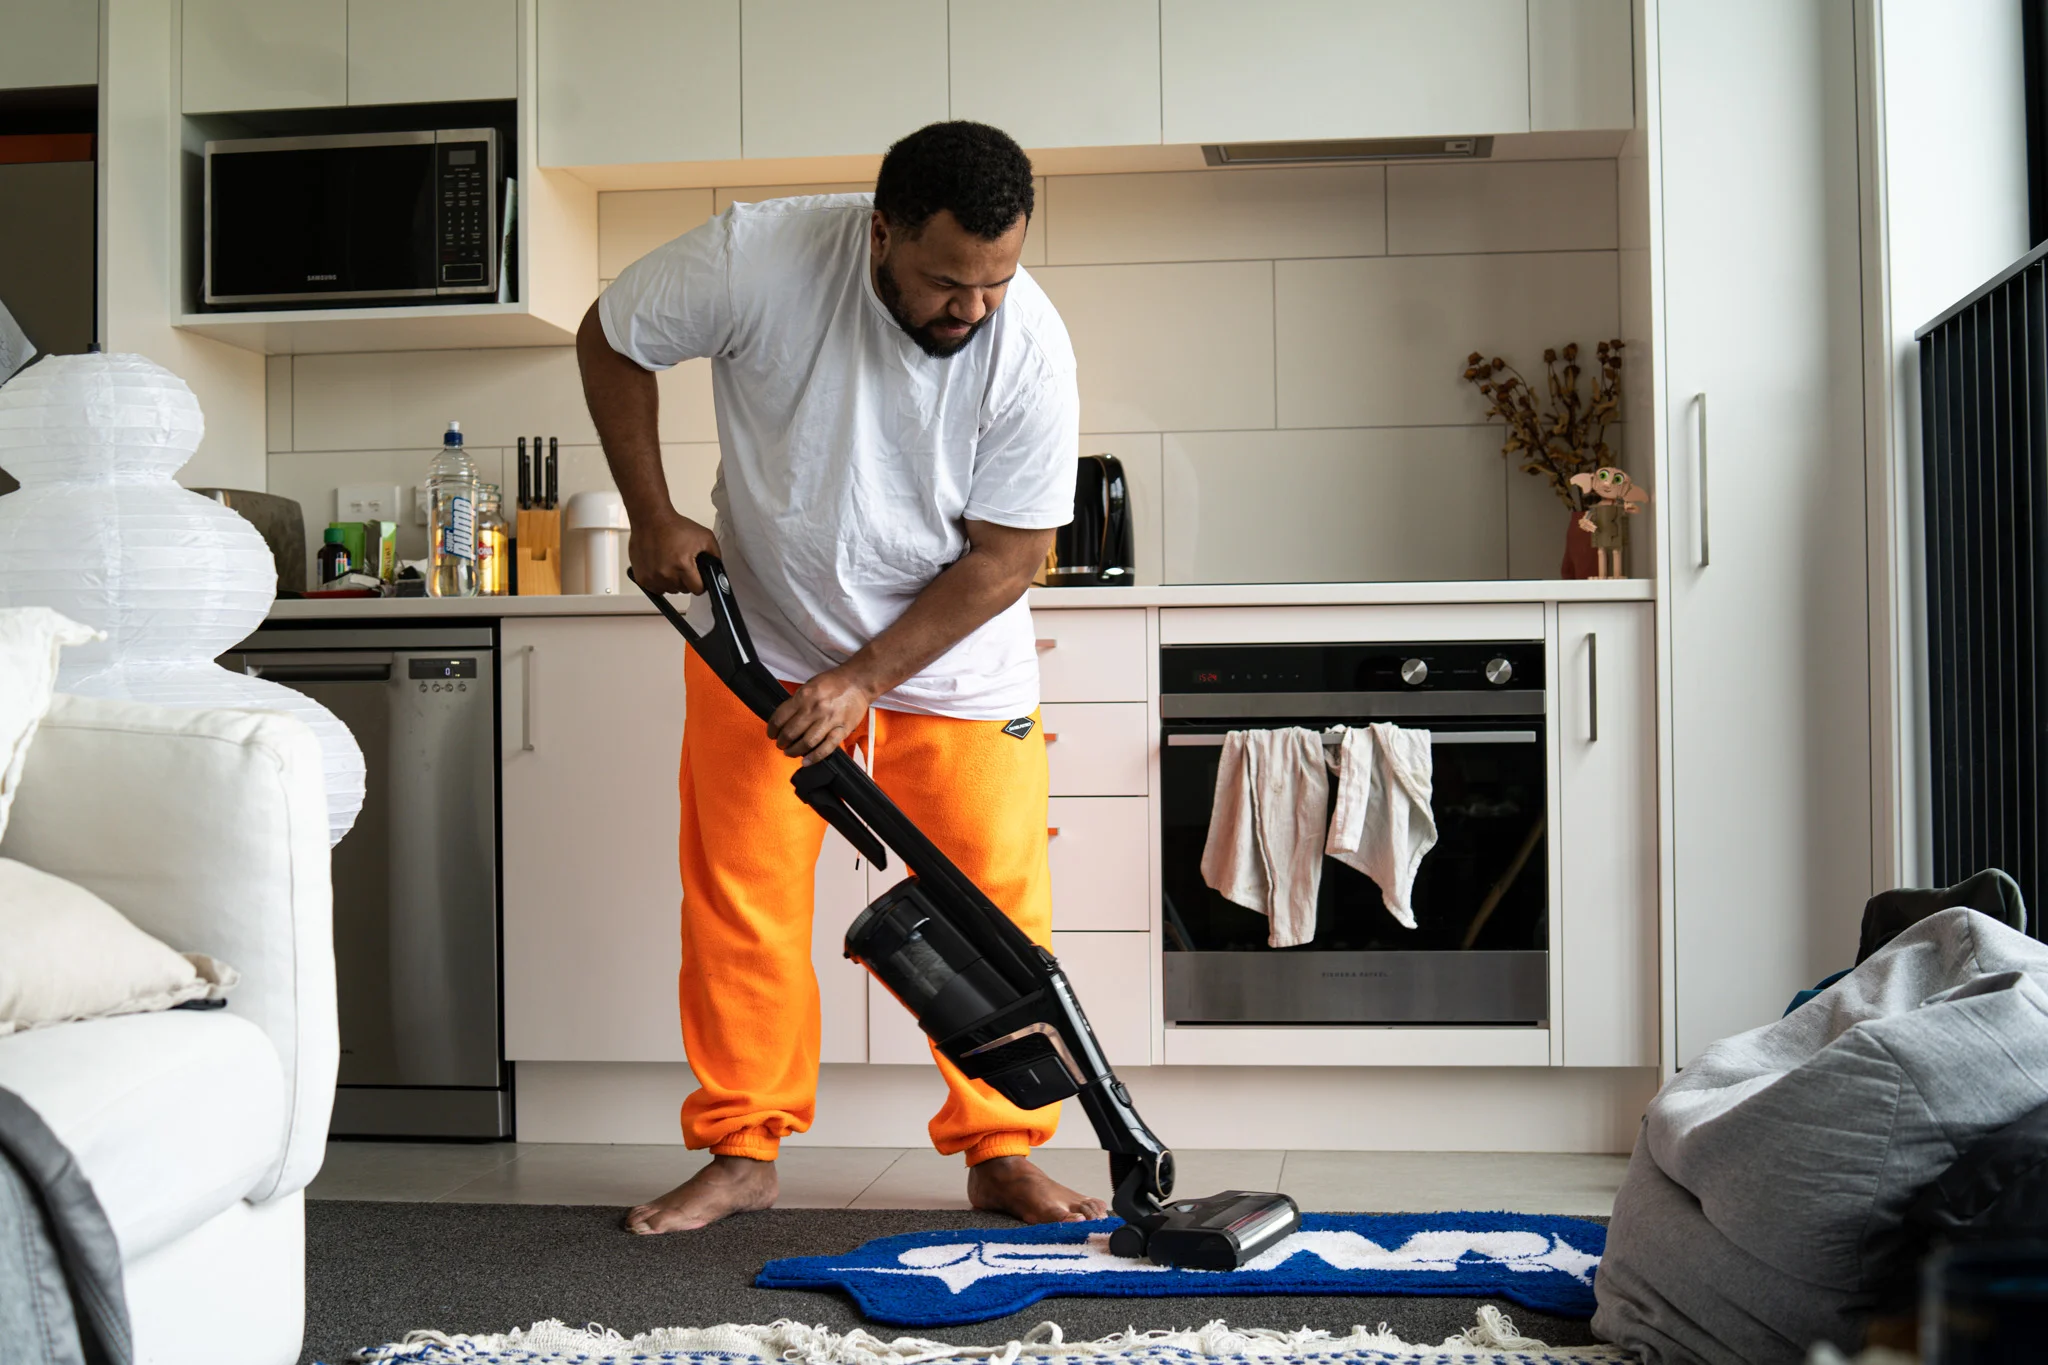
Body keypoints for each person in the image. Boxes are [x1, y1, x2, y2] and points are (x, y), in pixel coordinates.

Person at [576, 121, 1094, 1235]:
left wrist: (864, 675)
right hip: (761, 645)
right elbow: (610, 334)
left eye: (994, 282)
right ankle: (740, 1147)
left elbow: (1010, 557)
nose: (971, 308)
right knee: (741, 901)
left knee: (991, 914)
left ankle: (1002, 1149)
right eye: (944, 281)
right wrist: (653, 511)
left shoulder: (1029, 346)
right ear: (879, 234)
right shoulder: (753, 259)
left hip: (951, 666)